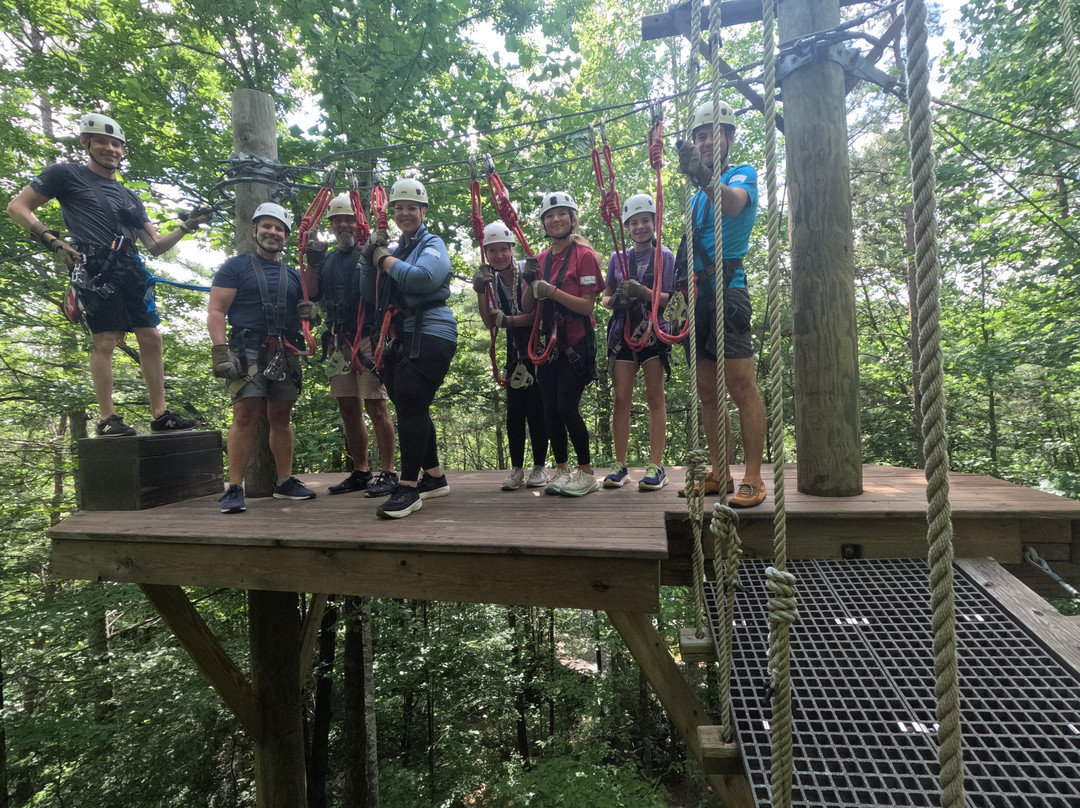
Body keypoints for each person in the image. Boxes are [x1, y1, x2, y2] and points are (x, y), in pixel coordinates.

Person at [7, 112, 211, 436]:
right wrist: (54, 241)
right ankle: (107, 419)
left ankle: (160, 413)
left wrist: (188, 225)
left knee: (151, 336)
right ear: (85, 143)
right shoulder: (66, 174)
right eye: (101, 141)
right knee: (105, 339)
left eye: (116, 144)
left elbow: (155, 246)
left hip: (130, 266)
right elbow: (18, 207)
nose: (110, 149)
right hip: (94, 266)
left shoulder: (130, 197)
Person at [675, 99, 767, 508]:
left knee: (741, 386)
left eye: (713, 133)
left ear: (729, 136)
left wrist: (702, 174)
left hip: (728, 292)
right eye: (700, 135)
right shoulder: (696, 197)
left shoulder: (741, 175)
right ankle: (718, 472)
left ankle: (753, 476)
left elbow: (731, 204)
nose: (706, 140)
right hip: (697, 298)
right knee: (708, 391)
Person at [207, 202, 319, 514]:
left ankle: (284, 481)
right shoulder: (235, 267)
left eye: (279, 228)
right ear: (254, 229)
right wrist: (220, 350)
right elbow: (216, 310)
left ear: (285, 235)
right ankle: (234, 487)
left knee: (281, 417)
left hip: (285, 349)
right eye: (266, 226)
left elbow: (307, 310)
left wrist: (313, 315)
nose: (273, 232)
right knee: (245, 414)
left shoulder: (294, 274)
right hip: (248, 348)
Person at [359, 178, 456, 519]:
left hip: (431, 331)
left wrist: (383, 258)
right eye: (398, 208)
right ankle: (434, 477)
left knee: (412, 404)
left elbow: (423, 279)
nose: (404, 213)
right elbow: (370, 293)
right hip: (402, 335)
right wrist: (367, 256)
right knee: (410, 406)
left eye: (411, 208)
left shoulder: (432, 243)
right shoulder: (398, 250)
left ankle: (409, 487)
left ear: (423, 211)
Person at [301, 194, 398, 498]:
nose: (344, 224)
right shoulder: (326, 258)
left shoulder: (371, 254)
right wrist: (312, 264)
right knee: (348, 407)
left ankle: (390, 472)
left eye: (349, 219)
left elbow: (386, 290)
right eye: (338, 220)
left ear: (358, 223)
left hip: (368, 338)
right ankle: (361, 470)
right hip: (338, 340)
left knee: (376, 404)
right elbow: (313, 294)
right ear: (331, 224)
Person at [520, 192, 601, 498]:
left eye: (562, 214)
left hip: (576, 342)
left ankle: (586, 471)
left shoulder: (584, 256)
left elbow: (587, 307)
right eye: (550, 216)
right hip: (547, 343)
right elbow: (527, 306)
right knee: (549, 409)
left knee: (567, 406)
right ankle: (562, 468)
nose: (555, 220)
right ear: (544, 222)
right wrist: (530, 282)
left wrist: (551, 290)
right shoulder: (540, 259)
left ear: (572, 218)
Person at [600, 194, 676, 492]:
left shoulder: (665, 256)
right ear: (627, 227)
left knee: (655, 398)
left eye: (645, 220)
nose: (640, 227)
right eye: (634, 222)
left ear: (654, 222)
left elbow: (673, 300)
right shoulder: (617, 258)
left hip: (654, 331)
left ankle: (656, 466)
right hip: (622, 333)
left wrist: (644, 293)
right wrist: (615, 299)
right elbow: (605, 296)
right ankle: (620, 465)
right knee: (622, 398)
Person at [471, 221, 549, 491]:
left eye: (503, 250)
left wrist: (509, 322)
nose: (498, 256)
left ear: (512, 250)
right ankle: (517, 468)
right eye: (492, 252)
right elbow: (488, 322)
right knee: (514, 411)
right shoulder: (491, 282)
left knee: (537, 410)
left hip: (536, 349)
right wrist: (480, 290)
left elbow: (535, 316)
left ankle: (540, 466)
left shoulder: (526, 274)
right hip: (514, 354)